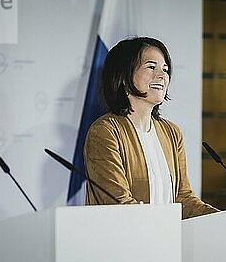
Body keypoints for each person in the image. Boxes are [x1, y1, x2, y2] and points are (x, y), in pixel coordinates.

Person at [84, 37, 218, 219]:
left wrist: (221, 217)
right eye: (151, 67)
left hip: (167, 241)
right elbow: (117, 203)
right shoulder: (106, 131)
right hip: (124, 242)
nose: (162, 75)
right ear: (124, 76)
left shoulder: (171, 133)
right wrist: (162, 227)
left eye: (165, 69)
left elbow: (183, 199)